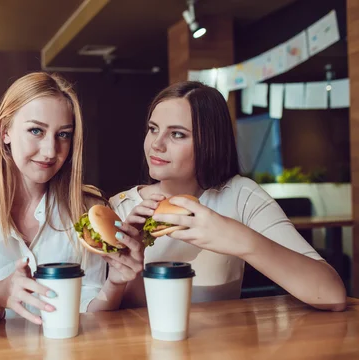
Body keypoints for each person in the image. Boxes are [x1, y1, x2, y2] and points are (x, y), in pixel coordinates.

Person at [109, 80, 346, 311]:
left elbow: (332, 295)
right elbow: (102, 314)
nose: (156, 144)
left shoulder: (240, 195)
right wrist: (132, 265)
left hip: (224, 348)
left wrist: (242, 239)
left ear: (209, 142)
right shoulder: (121, 208)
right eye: (153, 129)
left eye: (177, 134)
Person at [0, 72, 144, 324]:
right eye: (36, 131)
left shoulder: (89, 210)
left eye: (63, 134)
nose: (51, 151)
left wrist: (115, 283)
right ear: (4, 132)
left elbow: (93, 317)